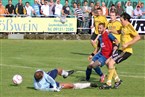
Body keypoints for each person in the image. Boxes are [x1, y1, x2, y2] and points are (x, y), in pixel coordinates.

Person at [100, 12, 141, 89]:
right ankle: (117, 80)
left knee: (111, 63)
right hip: (121, 50)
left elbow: (138, 37)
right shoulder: (123, 27)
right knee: (107, 62)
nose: (121, 21)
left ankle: (108, 84)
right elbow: (119, 32)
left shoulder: (129, 26)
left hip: (126, 51)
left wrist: (127, 44)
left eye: (121, 20)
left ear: (126, 20)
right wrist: (111, 31)